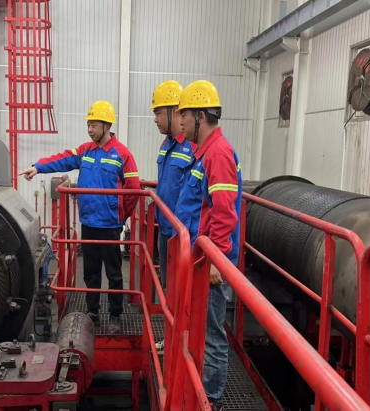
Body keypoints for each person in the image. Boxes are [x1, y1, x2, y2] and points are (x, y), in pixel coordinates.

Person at [21, 100, 140, 334]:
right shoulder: (85, 151)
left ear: (107, 126)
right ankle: (93, 311)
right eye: (88, 125)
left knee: (114, 273)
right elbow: (63, 159)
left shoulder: (122, 154)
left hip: (110, 225)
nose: (89, 129)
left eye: (94, 125)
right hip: (88, 222)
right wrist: (38, 167)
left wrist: (121, 214)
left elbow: (133, 188)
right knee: (90, 271)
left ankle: (115, 315)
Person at [174, 80, 242, 411]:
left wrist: (216, 259)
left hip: (213, 260)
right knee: (201, 326)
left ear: (201, 116)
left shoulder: (218, 154)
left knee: (213, 333)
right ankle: (202, 387)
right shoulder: (205, 153)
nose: (181, 122)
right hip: (203, 256)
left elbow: (224, 213)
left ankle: (211, 401)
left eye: (185, 115)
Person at [150, 80, 196, 355]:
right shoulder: (166, 145)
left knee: (184, 294)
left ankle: (184, 347)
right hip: (165, 232)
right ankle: (172, 341)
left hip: (183, 237)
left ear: (175, 112)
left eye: (158, 112)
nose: (155, 119)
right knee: (169, 290)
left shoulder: (192, 149)